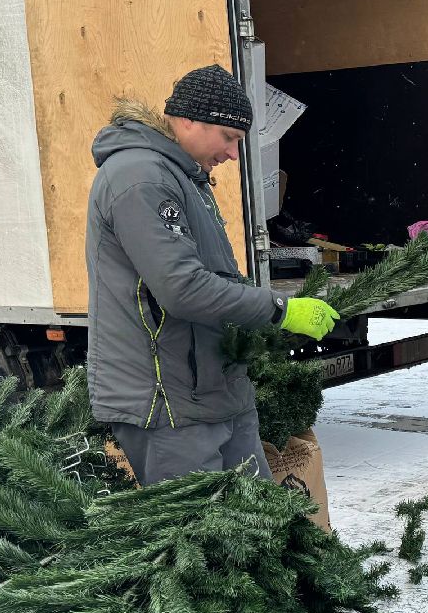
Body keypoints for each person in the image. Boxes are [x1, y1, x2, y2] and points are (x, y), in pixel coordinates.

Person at [85, 63, 339, 485]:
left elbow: (219, 276)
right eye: (229, 138)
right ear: (187, 120)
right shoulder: (140, 178)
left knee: (254, 528)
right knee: (200, 539)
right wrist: (279, 310)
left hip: (215, 391)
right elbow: (182, 289)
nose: (232, 154)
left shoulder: (186, 178)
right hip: (169, 402)